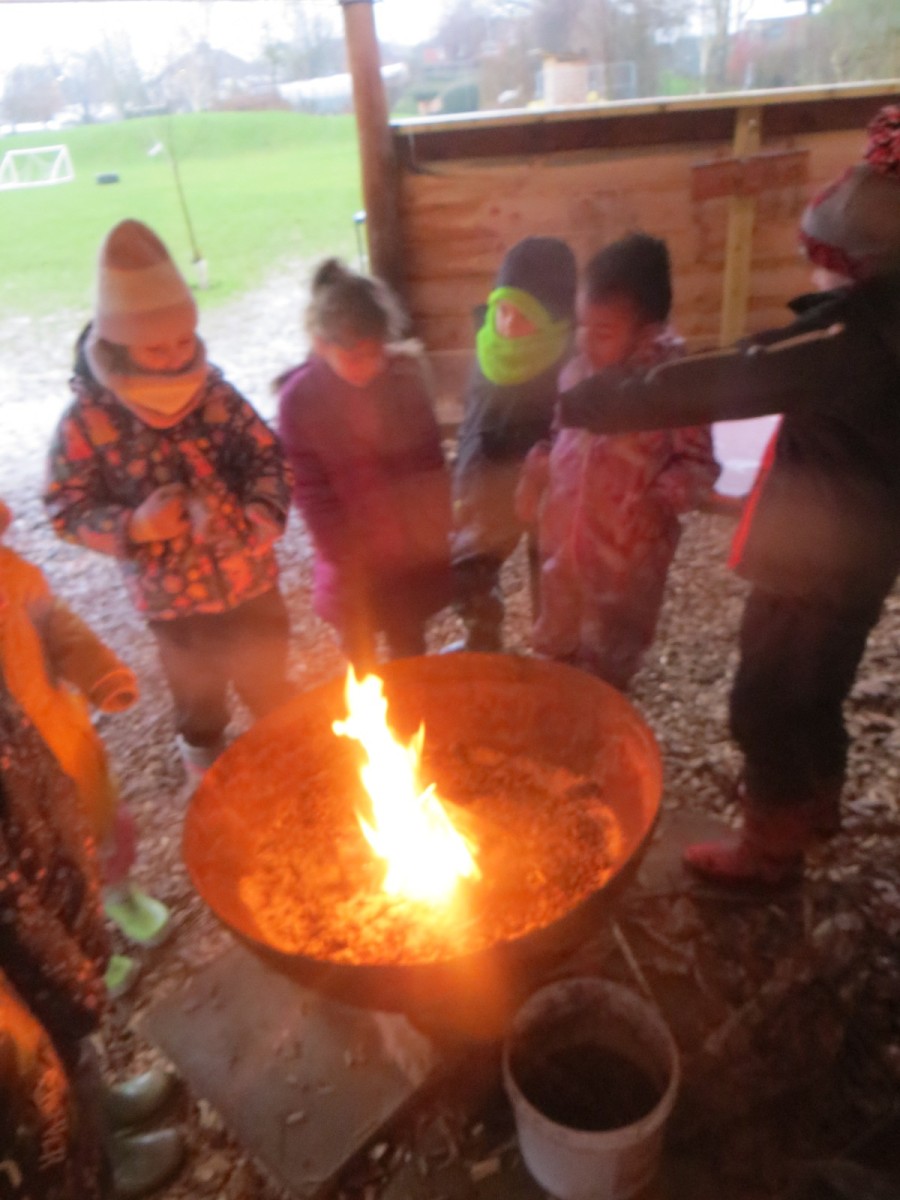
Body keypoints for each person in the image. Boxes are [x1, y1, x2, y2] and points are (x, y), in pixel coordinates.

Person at [557, 104, 900, 886]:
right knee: (820, 688)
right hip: (864, 554)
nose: (814, 276)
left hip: (813, 559)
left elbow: (734, 375)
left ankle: (771, 849)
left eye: (824, 262)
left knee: (765, 698)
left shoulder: (850, 338)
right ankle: (817, 801)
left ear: (859, 264)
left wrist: (600, 401)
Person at [44, 220, 293, 781]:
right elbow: (65, 509)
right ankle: (208, 783)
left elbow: (266, 456)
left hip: (251, 580)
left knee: (272, 686)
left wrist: (262, 513)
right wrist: (134, 526)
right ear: (117, 346)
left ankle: (295, 768)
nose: (175, 356)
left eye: (184, 340)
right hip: (172, 603)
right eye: (156, 348)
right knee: (200, 705)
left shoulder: (216, 395)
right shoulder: (88, 420)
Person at [0, 672, 184, 1199]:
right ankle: (98, 1158)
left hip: (35, 867)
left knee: (71, 1042)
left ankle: (99, 1110)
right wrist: (62, 969)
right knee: (42, 1068)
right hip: (16, 951)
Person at [516, 234, 719, 687]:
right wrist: (537, 472)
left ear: (647, 333)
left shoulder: (673, 390)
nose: (586, 341)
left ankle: (605, 705)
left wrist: (659, 500)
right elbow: (559, 435)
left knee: (607, 658)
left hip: (625, 565)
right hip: (564, 547)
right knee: (556, 646)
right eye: (582, 326)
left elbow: (700, 465)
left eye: (603, 332)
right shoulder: (577, 373)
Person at [0, 498, 171, 996]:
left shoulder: (12, 574)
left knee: (103, 824)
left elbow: (53, 623)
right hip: (11, 795)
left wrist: (99, 673)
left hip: (58, 737)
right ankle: (84, 952)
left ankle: (120, 894)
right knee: (42, 870)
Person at [278, 258, 453, 669]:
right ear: (321, 345)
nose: (365, 366)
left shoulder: (404, 381)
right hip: (351, 560)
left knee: (409, 638)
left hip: (408, 549)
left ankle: (413, 697)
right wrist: (343, 552)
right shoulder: (300, 401)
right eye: (351, 356)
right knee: (359, 646)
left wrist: (435, 523)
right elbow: (310, 489)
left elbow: (429, 458)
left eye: (373, 353)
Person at [452, 236, 577, 651]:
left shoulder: (568, 365)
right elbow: (473, 413)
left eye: (524, 317)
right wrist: (464, 471)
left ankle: (554, 645)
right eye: (502, 310)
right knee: (472, 562)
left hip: (543, 490)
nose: (507, 326)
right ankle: (481, 631)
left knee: (551, 568)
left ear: (553, 320)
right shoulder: (488, 347)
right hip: (486, 479)